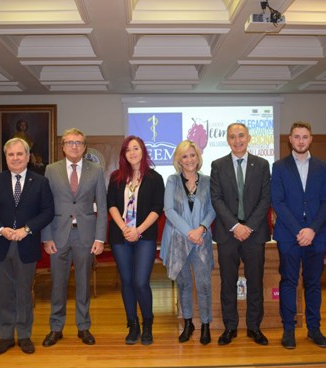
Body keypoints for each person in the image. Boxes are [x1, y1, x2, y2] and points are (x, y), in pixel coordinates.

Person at [0, 138, 54, 356]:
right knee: (4, 293)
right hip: (0, 243)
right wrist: (0, 229)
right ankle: (5, 336)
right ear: (6, 157)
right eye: (10, 155)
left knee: (23, 291)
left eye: (19, 154)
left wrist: (27, 229)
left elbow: (48, 211)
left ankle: (23, 335)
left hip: (26, 243)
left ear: (28, 157)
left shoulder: (40, 182)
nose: (15, 158)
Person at [41, 128, 107, 347]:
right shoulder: (51, 170)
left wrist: (99, 238)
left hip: (85, 235)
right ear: (63, 146)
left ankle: (83, 326)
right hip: (58, 235)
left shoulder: (95, 170)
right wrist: (46, 237)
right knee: (57, 284)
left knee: (83, 284)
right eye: (70, 142)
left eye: (79, 142)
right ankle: (56, 327)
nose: (74, 146)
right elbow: (45, 206)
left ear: (85, 146)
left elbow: (103, 207)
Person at [271, 121, 326, 349]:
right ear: (290, 139)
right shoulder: (279, 167)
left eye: (305, 137)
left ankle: (314, 329)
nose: (300, 141)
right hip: (289, 235)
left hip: (315, 235)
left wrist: (312, 229)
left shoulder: (322, 166)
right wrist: (299, 230)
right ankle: (289, 329)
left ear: (311, 139)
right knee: (288, 281)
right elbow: (278, 201)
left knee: (314, 283)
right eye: (296, 137)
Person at [210, 123, 271, 346]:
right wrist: (236, 226)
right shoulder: (218, 165)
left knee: (255, 282)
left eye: (241, 136)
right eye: (233, 137)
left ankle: (254, 327)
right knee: (228, 283)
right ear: (227, 140)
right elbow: (216, 199)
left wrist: (249, 226)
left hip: (255, 234)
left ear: (249, 137)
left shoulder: (262, 165)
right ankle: (230, 327)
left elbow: (266, 199)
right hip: (228, 235)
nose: (237, 140)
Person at [107, 136, 165, 345]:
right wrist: (124, 228)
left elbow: (157, 208)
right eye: (128, 150)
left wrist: (137, 230)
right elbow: (111, 205)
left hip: (144, 236)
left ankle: (148, 322)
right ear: (123, 154)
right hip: (120, 236)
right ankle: (133, 324)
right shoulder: (116, 178)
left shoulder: (155, 178)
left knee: (141, 282)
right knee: (127, 281)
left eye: (136, 148)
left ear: (143, 151)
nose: (132, 152)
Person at [160, 140, 216, 345]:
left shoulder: (209, 181)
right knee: (183, 284)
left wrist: (200, 229)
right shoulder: (172, 181)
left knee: (203, 284)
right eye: (185, 156)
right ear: (179, 160)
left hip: (201, 240)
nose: (189, 159)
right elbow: (169, 210)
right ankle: (188, 323)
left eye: (193, 155)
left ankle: (206, 325)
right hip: (179, 241)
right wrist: (189, 232)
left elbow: (212, 209)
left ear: (198, 157)